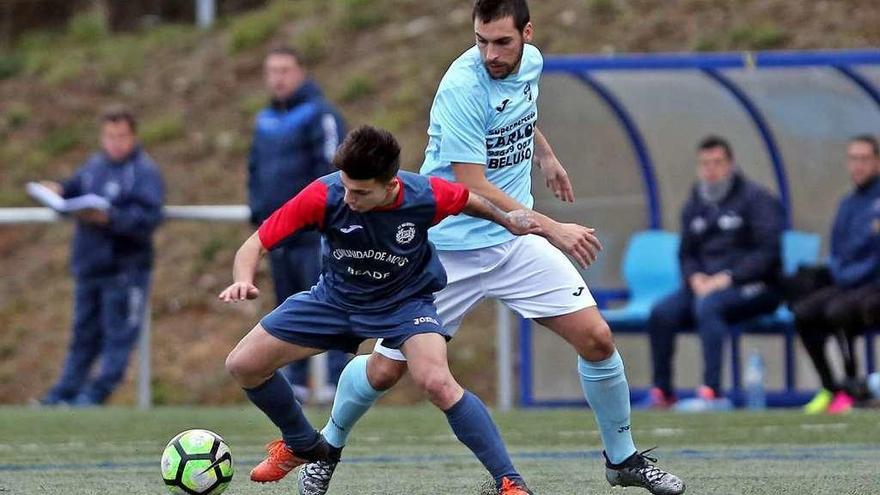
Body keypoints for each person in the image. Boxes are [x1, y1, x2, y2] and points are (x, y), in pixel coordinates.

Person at [299, 2, 685, 495]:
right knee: (384, 369)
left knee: (597, 338)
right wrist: (552, 227)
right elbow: (472, 187)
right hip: (447, 251)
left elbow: (519, 105)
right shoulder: (461, 87)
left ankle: (622, 459)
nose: (490, 53)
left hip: (510, 244)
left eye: (502, 42)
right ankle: (325, 448)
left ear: (527, 32)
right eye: (481, 40)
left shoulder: (531, 61)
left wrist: (545, 154)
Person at [222, 125, 545, 494]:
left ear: (391, 185)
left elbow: (468, 198)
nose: (348, 198)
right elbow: (256, 242)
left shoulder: (424, 195)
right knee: (243, 364)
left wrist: (508, 219)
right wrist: (242, 278)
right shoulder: (323, 195)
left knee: (437, 382)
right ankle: (302, 444)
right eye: (345, 187)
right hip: (334, 302)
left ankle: (511, 483)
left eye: (360, 192)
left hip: (405, 303)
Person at [37, 105, 165, 406]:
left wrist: (111, 219)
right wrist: (57, 190)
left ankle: (94, 395)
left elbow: (149, 217)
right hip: (89, 265)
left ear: (133, 137)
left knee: (118, 336)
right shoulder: (94, 166)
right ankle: (63, 393)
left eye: (121, 136)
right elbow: (72, 191)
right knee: (82, 334)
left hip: (125, 268)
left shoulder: (144, 172)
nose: (115, 142)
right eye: (110, 136)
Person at [644, 136, 783, 411]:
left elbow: (768, 253)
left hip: (755, 286)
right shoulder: (695, 203)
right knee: (662, 312)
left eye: (717, 163)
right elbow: (686, 253)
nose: (711, 170)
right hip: (704, 285)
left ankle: (712, 391)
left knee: (709, 306)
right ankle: (663, 392)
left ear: (730, 165)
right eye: (705, 163)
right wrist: (694, 277)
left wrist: (728, 277)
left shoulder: (757, 199)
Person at [248, 45, 348, 403]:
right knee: (288, 306)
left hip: (313, 233)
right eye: (272, 70)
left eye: (284, 70)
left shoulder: (320, 115)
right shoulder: (264, 120)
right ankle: (298, 381)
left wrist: (327, 218)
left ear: (301, 71)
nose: (277, 78)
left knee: (330, 302)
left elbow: (334, 169)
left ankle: (339, 380)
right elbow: (256, 169)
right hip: (279, 233)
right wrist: (258, 212)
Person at [792, 135, 880, 415]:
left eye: (864, 158)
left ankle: (853, 386)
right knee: (804, 311)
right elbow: (838, 250)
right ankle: (831, 386)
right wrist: (843, 274)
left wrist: (851, 275)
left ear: (877, 161)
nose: (858, 165)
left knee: (839, 310)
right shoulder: (847, 203)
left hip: (873, 284)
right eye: (853, 158)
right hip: (847, 281)